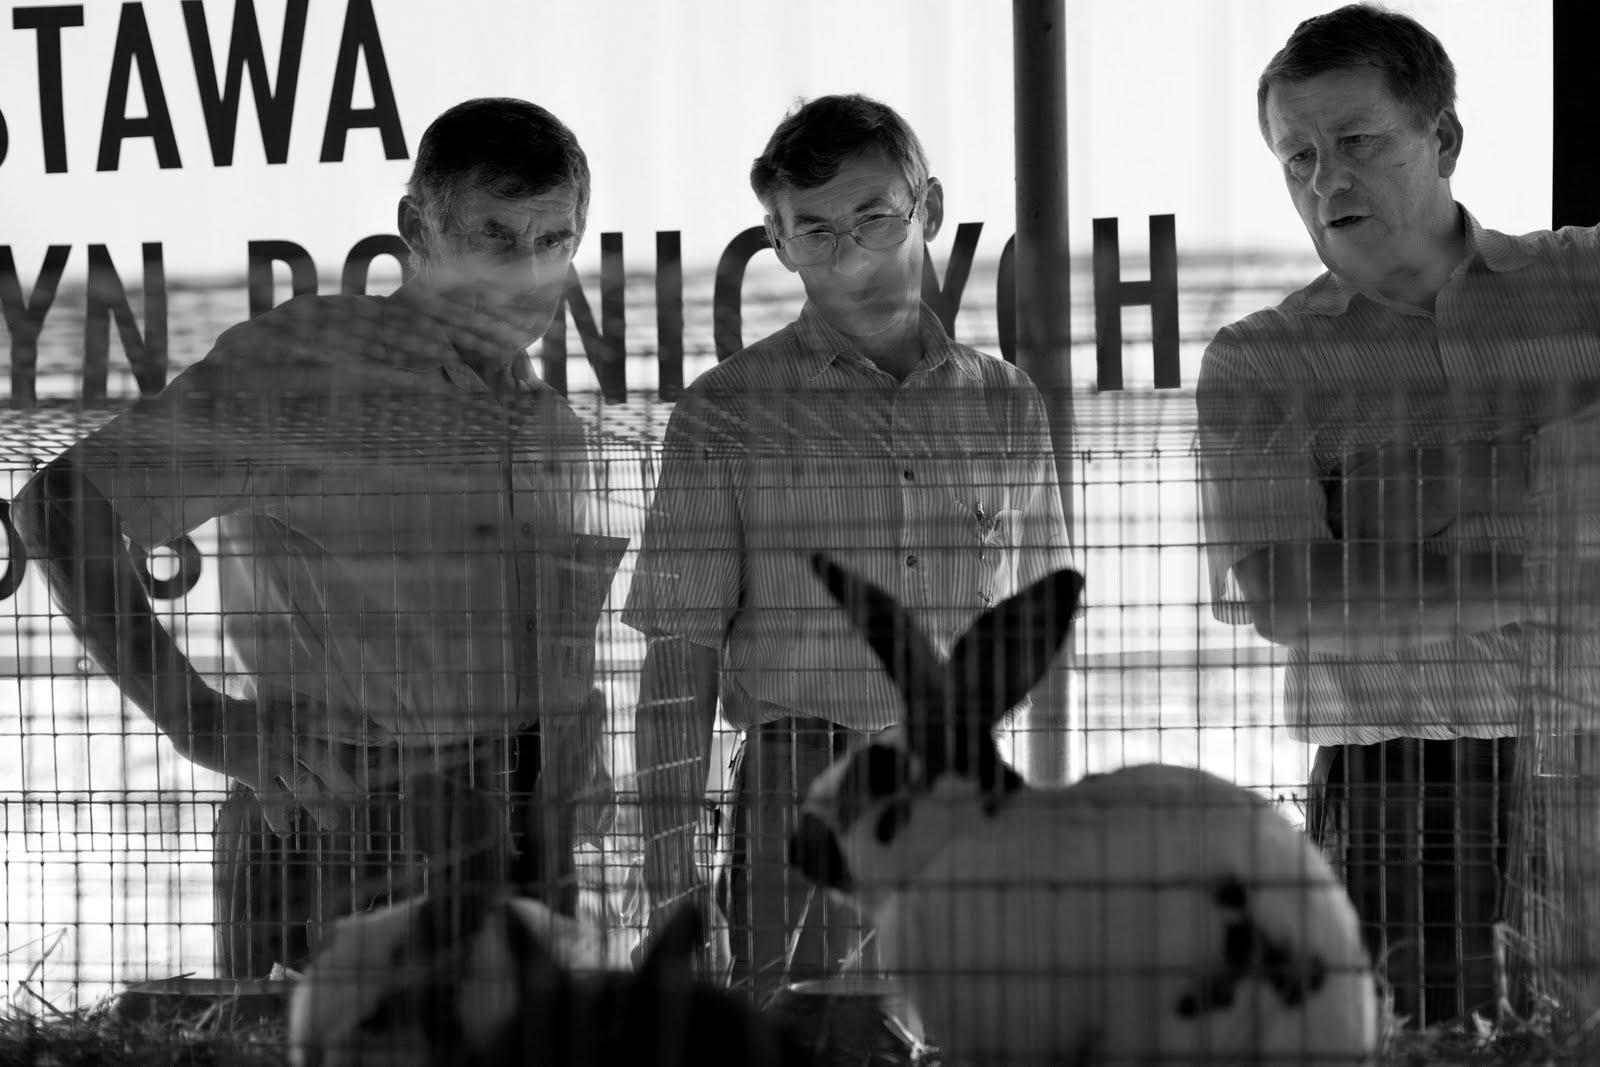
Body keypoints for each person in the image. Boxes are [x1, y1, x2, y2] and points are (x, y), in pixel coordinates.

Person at [10, 98, 625, 979]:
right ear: (416, 228)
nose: (524, 275)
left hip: (524, 844)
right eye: (493, 237)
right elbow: (62, 505)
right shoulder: (313, 364)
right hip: (343, 835)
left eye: (552, 241)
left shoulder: (549, 421)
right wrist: (197, 718)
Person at [1196, 3, 1600, 1027]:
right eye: (1297, 156)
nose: (1325, 179)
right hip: (1393, 795)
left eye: (1357, 141)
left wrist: (1438, 504)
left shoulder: (1585, 281)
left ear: (1444, 139)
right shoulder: (1259, 360)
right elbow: (1291, 599)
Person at [622, 94, 1074, 1002]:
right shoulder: (726, 411)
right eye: (816, 231)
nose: (851, 253)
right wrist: (671, 878)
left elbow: (1043, 637)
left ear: (928, 208)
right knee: (784, 1034)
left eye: (874, 217)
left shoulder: (1005, 402)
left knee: (965, 1031)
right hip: (794, 794)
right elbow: (680, 655)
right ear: (778, 242)